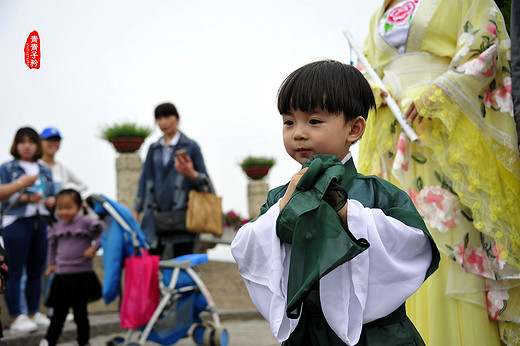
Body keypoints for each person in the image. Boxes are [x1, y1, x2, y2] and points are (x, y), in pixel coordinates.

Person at [231, 60, 440, 345]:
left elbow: (413, 247)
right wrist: (281, 211)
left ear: (354, 129)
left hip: (378, 336)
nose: (298, 133)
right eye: (289, 122)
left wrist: (346, 212)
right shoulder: (280, 196)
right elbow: (248, 246)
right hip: (306, 333)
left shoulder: (380, 193)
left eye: (314, 121)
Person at [358, 0, 520, 344]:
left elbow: (486, 44)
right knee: (395, 236)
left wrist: (441, 91)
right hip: (391, 138)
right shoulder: (380, 11)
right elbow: (365, 65)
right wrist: (371, 90)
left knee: (449, 237)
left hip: (445, 136)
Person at [133, 102, 211, 259]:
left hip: (182, 219)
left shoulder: (191, 146)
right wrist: (136, 211)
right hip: (154, 218)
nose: (163, 122)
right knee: (152, 268)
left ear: (177, 118)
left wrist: (190, 172)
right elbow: (145, 180)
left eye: (167, 117)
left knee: (181, 271)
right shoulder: (153, 148)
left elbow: (205, 183)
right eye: (159, 118)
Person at [0, 127, 55, 333]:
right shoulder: (7, 168)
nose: (27, 146)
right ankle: (16, 316)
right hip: (17, 221)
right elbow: (2, 194)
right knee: (14, 270)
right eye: (22, 141)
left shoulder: (44, 170)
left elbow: (53, 194)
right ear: (15, 145)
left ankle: (33, 312)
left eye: (31, 141)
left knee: (36, 271)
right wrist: (22, 188)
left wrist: (51, 201)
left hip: (41, 221)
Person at [40, 189, 103, 346]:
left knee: (80, 313)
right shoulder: (56, 226)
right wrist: (51, 264)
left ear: (79, 206)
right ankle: (49, 341)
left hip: (81, 276)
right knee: (58, 314)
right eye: (60, 208)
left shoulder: (87, 222)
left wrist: (94, 248)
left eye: (68, 207)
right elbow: (52, 247)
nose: (64, 212)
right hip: (62, 277)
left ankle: (84, 341)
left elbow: (105, 231)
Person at [40, 127, 88, 194]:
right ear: (40, 141)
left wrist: (65, 194)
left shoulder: (62, 168)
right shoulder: (34, 166)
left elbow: (84, 186)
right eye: (49, 140)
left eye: (56, 140)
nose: (53, 143)